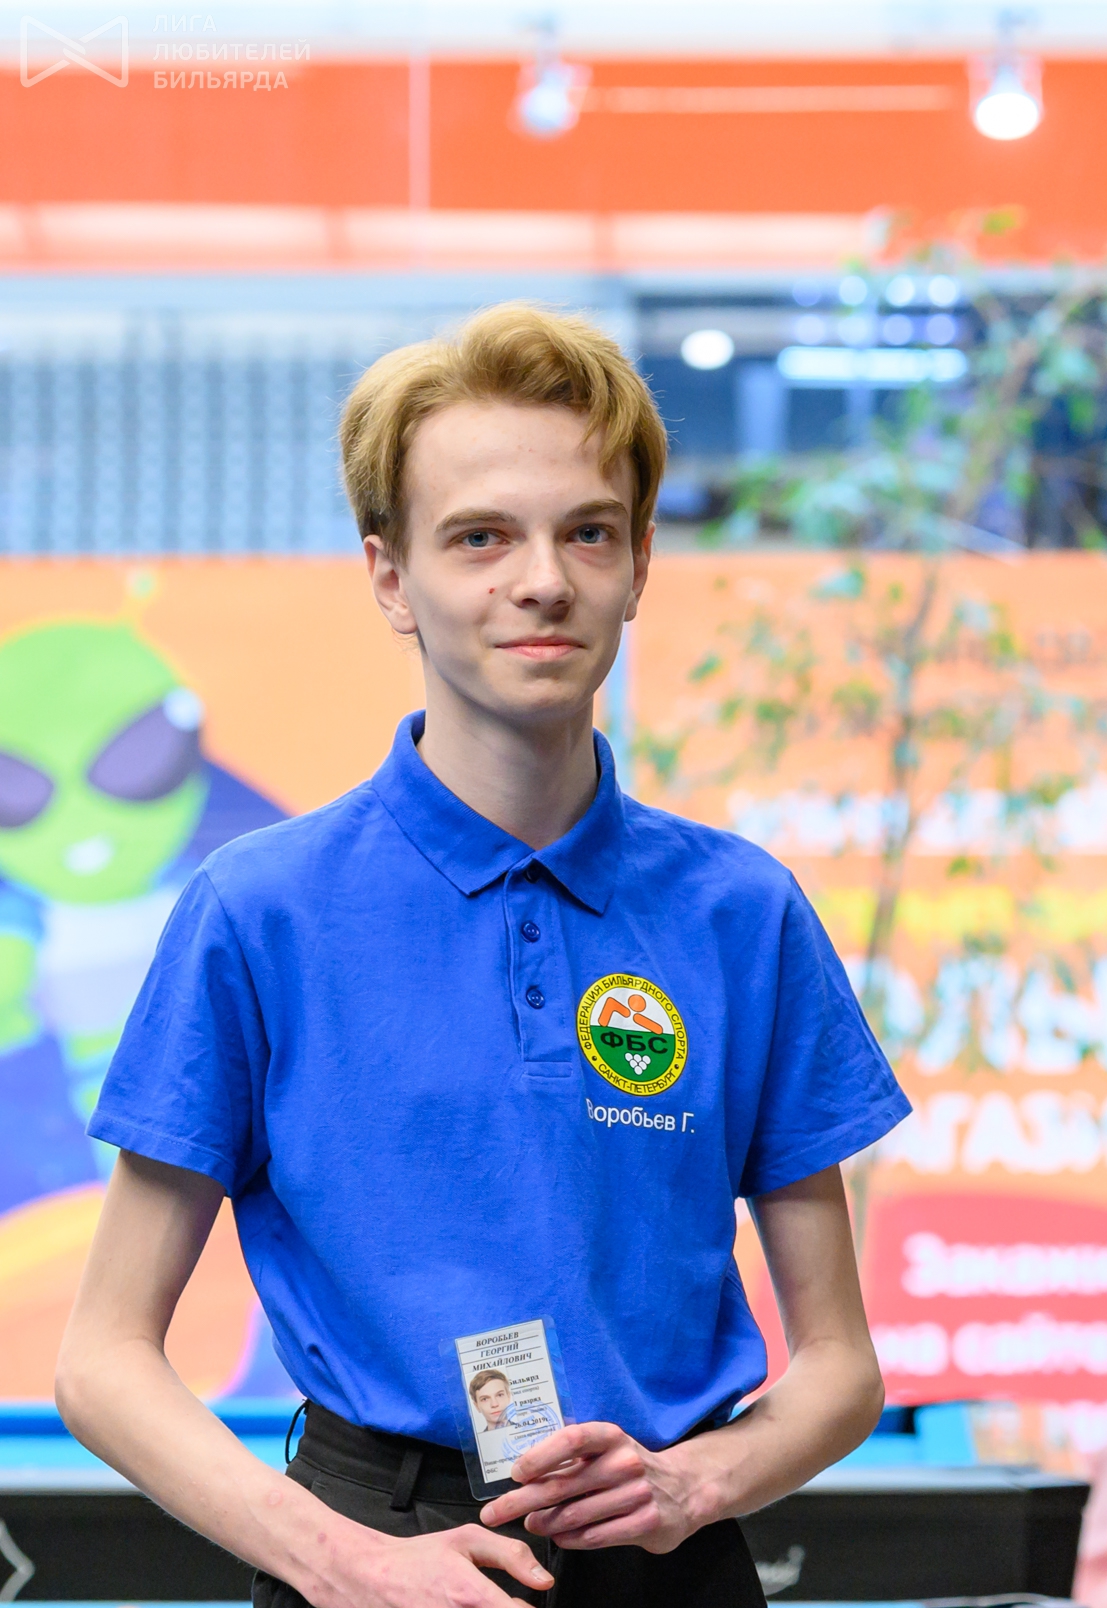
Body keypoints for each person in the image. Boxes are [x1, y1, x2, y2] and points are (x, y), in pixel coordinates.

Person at [55, 302, 905, 1608]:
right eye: (480, 537)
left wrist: (698, 1485)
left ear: (640, 563)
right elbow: (103, 1360)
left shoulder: (742, 912)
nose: (543, 580)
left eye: (588, 533)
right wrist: (339, 1560)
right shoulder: (259, 912)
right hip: (364, 1553)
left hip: (665, 1562)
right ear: (391, 577)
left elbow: (841, 1367)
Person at [471, 1371, 565, 1467]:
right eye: (485, 1399)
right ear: (477, 1406)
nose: (494, 1404)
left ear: (508, 1397)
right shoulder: (475, 1447)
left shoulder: (533, 1433)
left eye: (499, 1395)